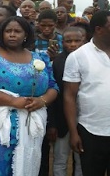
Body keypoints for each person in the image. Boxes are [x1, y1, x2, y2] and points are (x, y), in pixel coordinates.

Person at [0, 16, 58, 176]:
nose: (12, 34)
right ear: (1, 34)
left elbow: (53, 86)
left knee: (27, 166)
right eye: (8, 31)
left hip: (31, 122)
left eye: (17, 31)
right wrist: (14, 101)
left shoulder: (40, 58)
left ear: (26, 34)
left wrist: (41, 101)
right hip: (0, 127)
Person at [63, 10, 110, 175]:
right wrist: (74, 133)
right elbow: (69, 96)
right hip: (91, 131)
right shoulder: (78, 56)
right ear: (99, 29)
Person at [49, 27, 84, 176]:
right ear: (62, 43)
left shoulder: (88, 60)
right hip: (61, 119)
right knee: (60, 158)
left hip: (84, 118)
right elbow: (53, 95)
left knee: (81, 159)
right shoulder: (57, 62)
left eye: (77, 41)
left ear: (84, 41)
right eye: (69, 41)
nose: (73, 44)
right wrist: (52, 124)